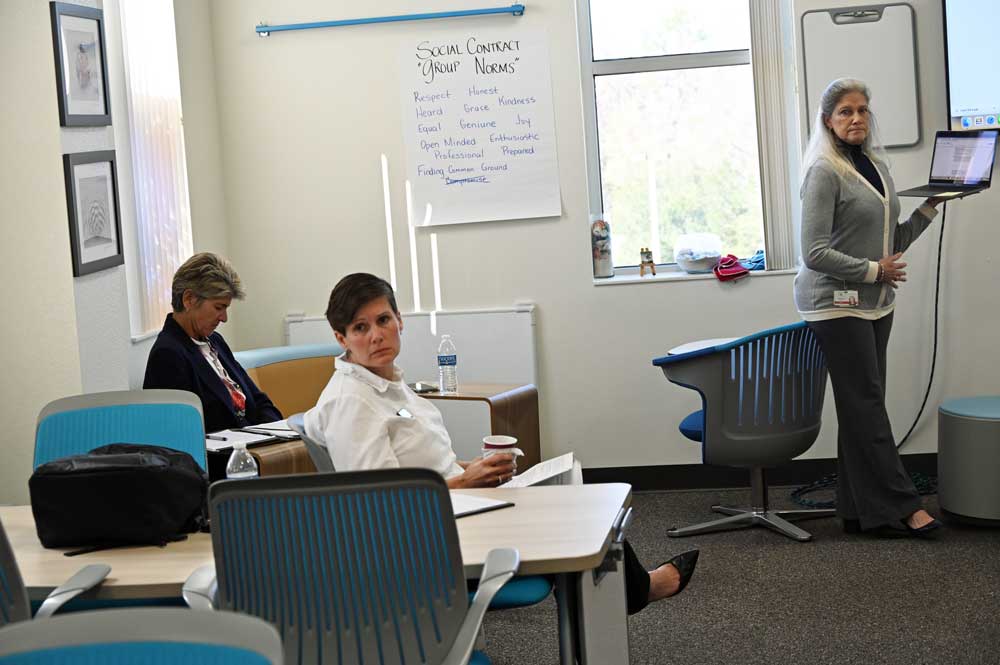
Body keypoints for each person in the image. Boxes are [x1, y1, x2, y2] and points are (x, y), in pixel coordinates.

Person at [304, 272, 698, 614]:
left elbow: (420, 458)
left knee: (577, 497)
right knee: (573, 516)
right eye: (360, 328)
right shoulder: (351, 401)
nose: (376, 335)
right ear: (341, 338)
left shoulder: (388, 384)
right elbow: (383, 499)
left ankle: (622, 597)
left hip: (452, 504)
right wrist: (464, 482)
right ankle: (635, 592)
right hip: (423, 532)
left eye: (383, 319)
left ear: (400, 321)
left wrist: (471, 468)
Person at [794, 78, 944, 538]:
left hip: (875, 303)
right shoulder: (823, 171)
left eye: (861, 110)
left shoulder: (876, 165)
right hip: (833, 304)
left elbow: (889, 244)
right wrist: (873, 272)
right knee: (867, 405)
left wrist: (929, 209)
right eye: (845, 112)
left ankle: (860, 512)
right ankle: (902, 505)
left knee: (861, 408)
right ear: (828, 121)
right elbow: (813, 253)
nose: (856, 118)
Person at [143, 252, 282, 433]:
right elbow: (181, 433)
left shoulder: (214, 341)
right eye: (218, 307)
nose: (224, 318)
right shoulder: (168, 354)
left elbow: (258, 399)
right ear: (189, 299)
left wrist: (276, 432)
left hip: (254, 445)